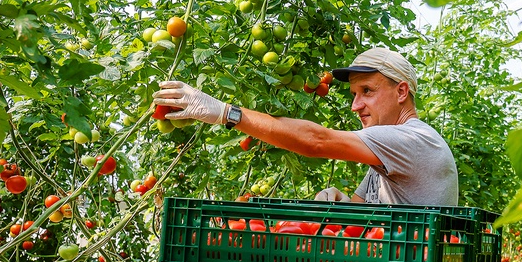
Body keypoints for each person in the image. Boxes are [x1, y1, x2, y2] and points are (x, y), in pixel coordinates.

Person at [151, 47, 459, 206]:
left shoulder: (411, 139)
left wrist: (226, 113)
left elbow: (316, 141)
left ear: (402, 92)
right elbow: (360, 217)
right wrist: (340, 203)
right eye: (354, 95)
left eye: (368, 91)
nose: (356, 106)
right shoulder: (387, 153)